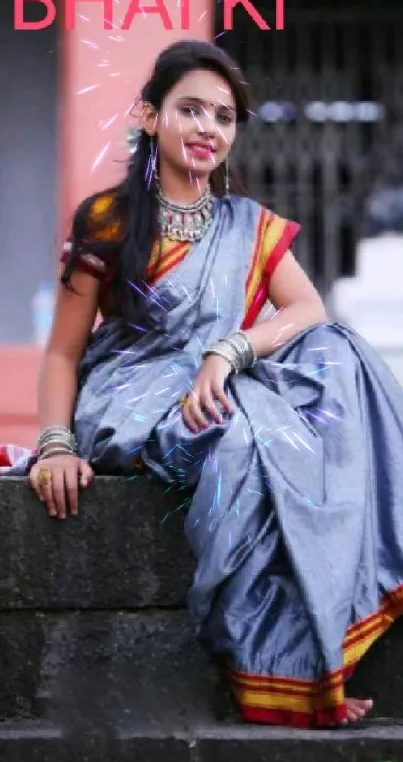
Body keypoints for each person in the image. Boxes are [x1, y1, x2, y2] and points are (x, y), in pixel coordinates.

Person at [3, 38, 403, 729]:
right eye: (189, 110)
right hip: (128, 396)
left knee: (335, 356)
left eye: (222, 116)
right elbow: (64, 353)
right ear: (148, 116)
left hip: (219, 383)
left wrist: (229, 348)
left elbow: (308, 310)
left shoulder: (246, 226)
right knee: (249, 437)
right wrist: (57, 443)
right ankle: (271, 670)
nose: (207, 129)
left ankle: (319, 637)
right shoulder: (107, 219)